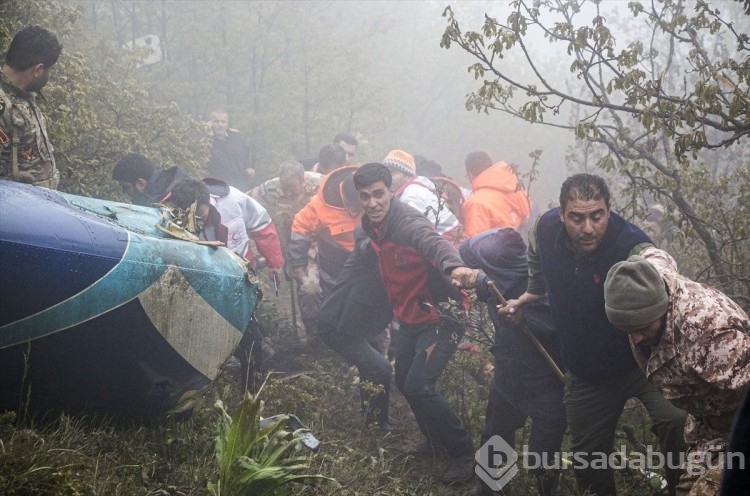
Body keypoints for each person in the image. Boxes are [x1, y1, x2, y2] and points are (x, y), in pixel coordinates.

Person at [500, 173, 687, 496]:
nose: (588, 228)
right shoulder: (545, 230)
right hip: (587, 373)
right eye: (577, 218)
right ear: (560, 214)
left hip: (645, 363)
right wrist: (532, 293)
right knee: (588, 461)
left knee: (677, 424)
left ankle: (683, 488)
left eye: (597, 216)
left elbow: (661, 272)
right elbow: (535, 257)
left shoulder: (632, 244)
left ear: (609, 210)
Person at [353, 162, 477, 485]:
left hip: (441, 316)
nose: (372, 203)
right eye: (365, 196)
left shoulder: (406, 222)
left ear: (390, 191)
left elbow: (433, 243)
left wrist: (454, 267)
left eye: (378, 194)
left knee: (421, 385)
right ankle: (432, 440)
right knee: (405, 381)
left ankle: (464, 453)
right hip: (411, 316)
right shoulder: (371, 225)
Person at [604, 248, 750, 495]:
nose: (637, 338)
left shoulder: (711, 334)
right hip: (707, 429)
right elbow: (656, 255)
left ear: (661, 309)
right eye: (627, 330)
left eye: (643, 327)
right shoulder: (650, 278)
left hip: (740, 426)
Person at [460, 228, 566, 496]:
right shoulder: (494, 282)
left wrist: (525, 319)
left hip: (549, 386)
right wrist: (474, 275)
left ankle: (548, 490)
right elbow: (469, 257)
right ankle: (489, 489)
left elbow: (562, 330)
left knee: (542, 457)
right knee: (495, 434)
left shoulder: (543, 287)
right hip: (509, 377)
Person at [168, 178, 285, 388]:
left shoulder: (233, 201)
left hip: (239, 278)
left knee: (248, 335)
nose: (197, 221)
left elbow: (262, 225)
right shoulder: (172, 212)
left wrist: (274, 262)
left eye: (200, 215)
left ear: (207, 202)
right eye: (191, 217)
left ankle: (250, 385)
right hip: (202, 283)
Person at [317, 229, 394, 431]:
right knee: (381, 368)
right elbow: (366, 246)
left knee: (371, 366)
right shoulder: (366, 254)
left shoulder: (390, 262)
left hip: (356, 324)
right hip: (336, 325)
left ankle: (372, 419)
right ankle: (377, 425)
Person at [250, 160, 323, 337]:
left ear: (302, 179)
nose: (287, 192)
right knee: (309, 290)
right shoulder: (272, 188)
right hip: (294, 246)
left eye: (292, 187)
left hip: (322, 242)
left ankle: (333, 330)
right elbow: (245, 200)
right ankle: (314, 334)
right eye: (285, 187)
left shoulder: (320, 183)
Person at [288, 165, 362, 303]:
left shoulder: (374, 194)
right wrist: (298, 262)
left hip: (363, 260)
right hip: (330, 259)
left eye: (357, 207)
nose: (352, 211)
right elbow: (300, 226)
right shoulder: (322, 203)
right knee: (327, 297)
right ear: (342, 193)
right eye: (349, 205)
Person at [1, 26, 62, 189]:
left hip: (40, 205)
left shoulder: (25, 93)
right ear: (38, 70)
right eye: (50, 70)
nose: (50, 76)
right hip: (16, 209)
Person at [382, 149, 465, 246]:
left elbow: (408, 231)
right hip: (448, 239)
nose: (387, 177)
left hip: (449, 243)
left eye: (393, 172)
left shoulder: (413, 194)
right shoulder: (417, 185)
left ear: (407, 175)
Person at [462, 151, 531, 237]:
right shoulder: (514, 185)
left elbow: (475, 244)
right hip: (525, 244)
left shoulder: (475, 203)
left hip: (504, 249)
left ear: (471, 175)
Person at [112, 153, 190, 206]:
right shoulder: (158, 194)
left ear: (140, 184)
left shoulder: (169, 204)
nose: (123, 192)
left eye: (126, 187)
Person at [206, 109, 255, 191]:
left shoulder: (237, 137)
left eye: (223, 121)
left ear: (227, 123)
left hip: (241, 185)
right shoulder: (206, 143)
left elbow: (248, 153)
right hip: (220, 188)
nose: (220, 125)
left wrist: (250, 166)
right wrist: (210, 137)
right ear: (210, 123)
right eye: (216, 121)